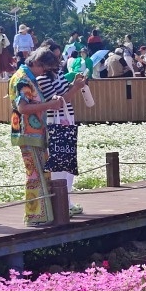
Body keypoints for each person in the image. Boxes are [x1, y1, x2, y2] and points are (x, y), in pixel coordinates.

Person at [10, 47, 85, 226]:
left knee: (42, 174)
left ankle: (42, 214)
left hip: (35, 132)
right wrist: (51, 104)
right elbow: (22, 108)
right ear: (36, 63)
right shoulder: (22, 79)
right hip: (27, 132)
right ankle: (34, 216)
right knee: (35, 175)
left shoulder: (28, 76)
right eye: (44, 69)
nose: (45, 73)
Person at [36, 43, 85, 216]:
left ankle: (67, 200)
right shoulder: (42, 79)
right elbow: (58, 102)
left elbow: (65, 93)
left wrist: (74, 84)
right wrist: (76, 87)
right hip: (56, 121)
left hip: (66, 119)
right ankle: (61, 203)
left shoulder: (58, 74)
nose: (58, 61)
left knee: (68, 161)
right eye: (54, 58)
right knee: (59, 162)